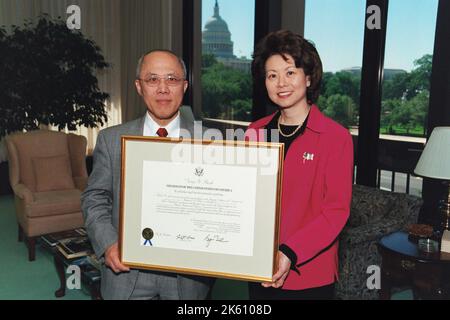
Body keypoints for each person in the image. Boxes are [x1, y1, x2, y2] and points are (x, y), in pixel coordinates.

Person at [81, 49, 213, 300]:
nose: (163, 88)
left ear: (184, 86)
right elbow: (94, 198)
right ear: (139, 87)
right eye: (152, 79)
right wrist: (108, 243)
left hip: (188, 278)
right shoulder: (111, 139)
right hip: (127, 274)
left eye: (172, 79)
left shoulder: (210, 143)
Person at [246, 30, 353, 300]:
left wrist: (290, 252)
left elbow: (336, 212)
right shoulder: (254, 131)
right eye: (272, 75)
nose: (281, 83)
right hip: (257, 267)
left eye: (290, 72)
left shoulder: (335, 138)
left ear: (308, 77)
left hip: (308, 275)